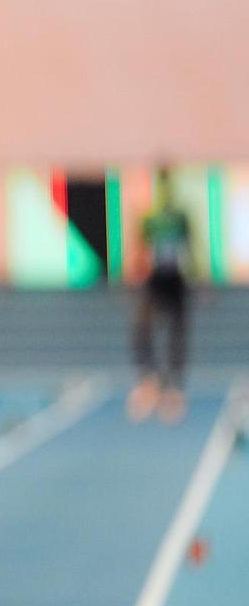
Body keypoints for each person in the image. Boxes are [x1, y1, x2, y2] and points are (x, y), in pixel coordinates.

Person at [128, 167, 193, 424]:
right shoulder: (150, 218)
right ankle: (149, 380)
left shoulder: (180, 217)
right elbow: (141, 248)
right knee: (143, 329)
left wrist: (197, 279)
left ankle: (174, 388)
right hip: (155, 280)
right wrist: (136, 273)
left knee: (177, 334)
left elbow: (190, 247)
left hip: (175, 279)